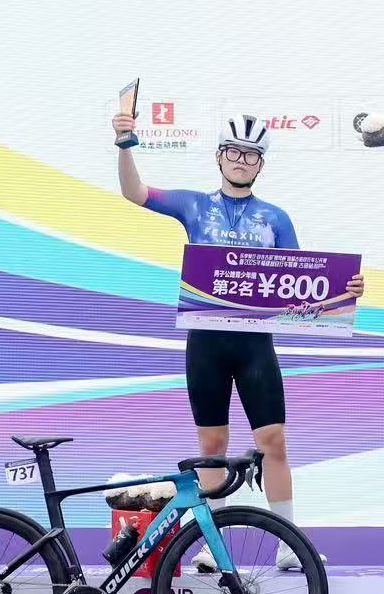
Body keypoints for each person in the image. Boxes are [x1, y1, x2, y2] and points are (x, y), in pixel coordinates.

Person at [112, 112, 358, 570]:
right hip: (206, 343)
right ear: (219, 156)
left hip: (254, 346)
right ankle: (213, 547)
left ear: (261, 164)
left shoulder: (275, 218)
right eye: (234, 152)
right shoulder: (194, 205)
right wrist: (125, 143)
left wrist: (344, 291)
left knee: (274, 441)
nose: (242, 160)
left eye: (251, 155)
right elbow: (135, 192)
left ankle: (288, 545)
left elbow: (303, 283)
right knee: (211, 447)